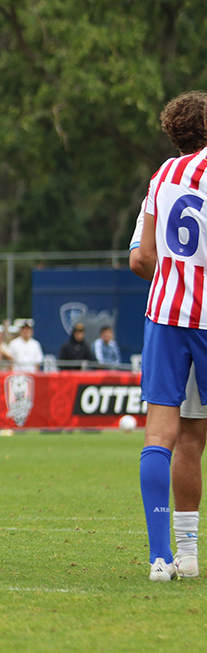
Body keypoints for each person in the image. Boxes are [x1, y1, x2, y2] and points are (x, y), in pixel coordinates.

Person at [130, 90, 207, 581]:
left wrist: (176, 276)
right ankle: (191, 554)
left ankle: (166, 558)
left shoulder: (163, 177)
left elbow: (139, 258)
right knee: (194, 439)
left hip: (166, 317)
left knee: (164, 437)